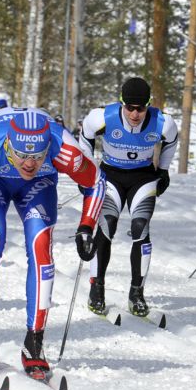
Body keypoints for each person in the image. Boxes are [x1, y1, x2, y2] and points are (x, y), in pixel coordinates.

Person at [0, 107, 106, 380]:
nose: (29, 163)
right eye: (22, 155)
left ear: (47, 147)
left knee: (40, 246)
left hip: (38, 186)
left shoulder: (63, 149)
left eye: (38, 156)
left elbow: (96, 182)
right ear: (8, 145)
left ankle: (34, 341)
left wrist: (87, 225)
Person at [78, 77, 178, 318]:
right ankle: (97, 287)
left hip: (143, 178)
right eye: (130, 108)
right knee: (107, 225)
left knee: (141, 227)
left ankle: (136, 292)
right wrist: (86, 171)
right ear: (121, 103)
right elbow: (85, 136)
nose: (135, 114)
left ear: (148, 105)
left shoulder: (163, 123)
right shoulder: (102, 117)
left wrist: (163, 170)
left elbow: (171, 143)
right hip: (110, 176)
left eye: (141, 108)